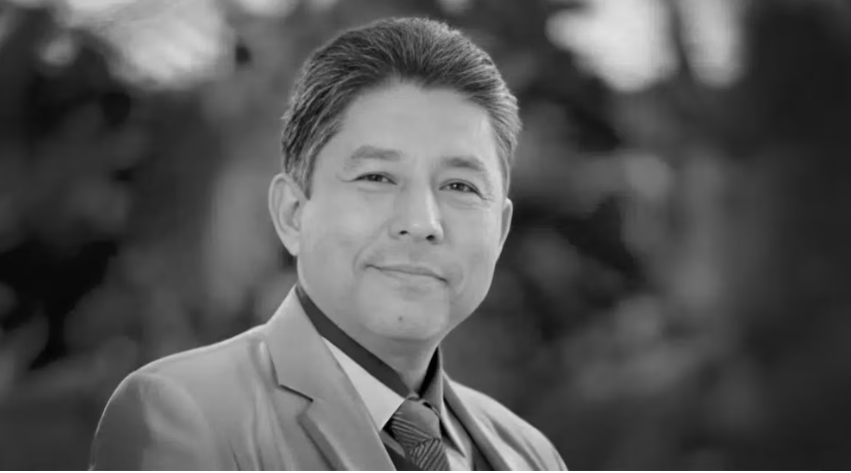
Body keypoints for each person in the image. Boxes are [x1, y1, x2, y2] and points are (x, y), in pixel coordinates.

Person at [89, 17, 568, 471]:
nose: (422, 222)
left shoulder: (529, 454)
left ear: (500, 230)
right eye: (377, 177)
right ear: (292, 213)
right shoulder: (186, 413)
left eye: (460, 186)